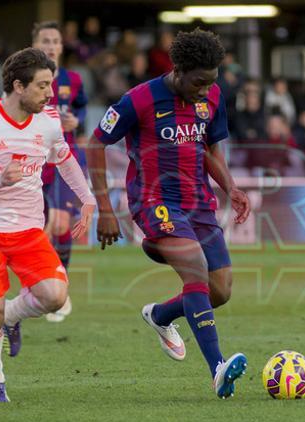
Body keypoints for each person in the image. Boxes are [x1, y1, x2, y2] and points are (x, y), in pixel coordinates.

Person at [87, 29, 250, 399]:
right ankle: (218, 369)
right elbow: (95, 142)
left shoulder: (212, 97)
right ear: (178, 70)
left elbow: (207, 148)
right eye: (199, 82)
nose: (205, 90)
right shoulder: (139, 99)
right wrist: (106, 210)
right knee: (194, 265)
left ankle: (160, 315)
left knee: (219, 291)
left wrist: (231, 187)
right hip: (154, 199)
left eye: (211, 82)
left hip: (199, 203)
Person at [0, 48, 96, 402]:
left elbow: (64, 159)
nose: (50, 93)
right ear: (18, 86)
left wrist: (88, 198)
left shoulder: (48, 122)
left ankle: (14, 318)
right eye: (43, 85)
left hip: (28, 230)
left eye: (50, 84)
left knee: (54, 295)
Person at [31, 21, 89, 322]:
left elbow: (81, 106)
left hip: (65, 158)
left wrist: (77, 121)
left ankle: (60, 287)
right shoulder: (23, 79)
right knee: (39, 229)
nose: (51, 45)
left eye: (55, 40)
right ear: (35, 44)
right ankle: (39, 286)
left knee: (63, 221)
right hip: (34, 159)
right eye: (45, 40)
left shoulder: (73, 79)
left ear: (61, 47)